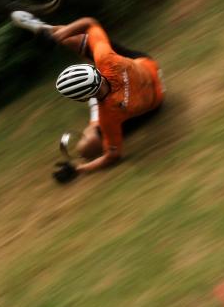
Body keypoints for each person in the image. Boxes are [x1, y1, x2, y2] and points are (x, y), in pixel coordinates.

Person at [11, 11, 164, 184]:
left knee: (85, 148)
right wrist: (58, 36)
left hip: (155, 102)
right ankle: (47, 30)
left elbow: (112, 155)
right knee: (79, 40)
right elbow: (90, 22)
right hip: (148, 66)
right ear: (93, 69)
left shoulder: (110, 116)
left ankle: (50, 32)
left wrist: (78, 168)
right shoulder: (106, 59)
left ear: (82, 98)